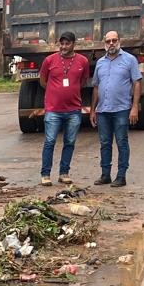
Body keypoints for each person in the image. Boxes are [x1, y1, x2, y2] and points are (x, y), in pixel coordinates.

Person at [89, 30, 141, 187]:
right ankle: (105, 175)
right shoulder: (100, 63)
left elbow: (137, 83)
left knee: (121, 142)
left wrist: (134, 108)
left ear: (119, 41)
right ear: (104, 43)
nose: (111, 43)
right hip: (103, 110)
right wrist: (93, 109)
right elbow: (96, 87)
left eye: (114, 40)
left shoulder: (129, 60)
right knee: (105, 143)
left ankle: (121, 175)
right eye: (108, 41)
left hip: (121, 109)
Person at [38, 31, 89, 186]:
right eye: (62, 43)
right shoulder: (49, 60)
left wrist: (69, 92)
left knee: (70, 141)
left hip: (73, 109)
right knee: (50, 141)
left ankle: (64, 173)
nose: (64, 47)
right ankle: (45, 174)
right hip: (53, 109)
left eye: (67, 43)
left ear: (74, 44)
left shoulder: (83, 61)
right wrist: (55, 93)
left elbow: (83, 82)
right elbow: (43, 81)